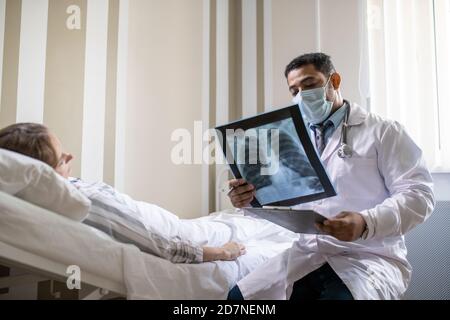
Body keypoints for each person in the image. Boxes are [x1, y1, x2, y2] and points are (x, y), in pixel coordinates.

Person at [227, 53, 435, 300]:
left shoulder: (383, 131)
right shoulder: (291, 139)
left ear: (334, 81)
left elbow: (419, 195)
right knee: (238, 299)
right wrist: (248, 198)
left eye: (309, 84)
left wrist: (365, 222)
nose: (301, 96)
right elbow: (285, 197)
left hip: (367, 255)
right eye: (294, 90)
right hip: (307, 253)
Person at [0, 123, 246, 264]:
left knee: (246, 221)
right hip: (182, 233)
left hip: (177, 224)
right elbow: (160, 246)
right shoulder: (85, 203)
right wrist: (222, 252)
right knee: (249, 228)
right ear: (44, 174)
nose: (70, 156)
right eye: (62, 158)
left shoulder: (56, 194)